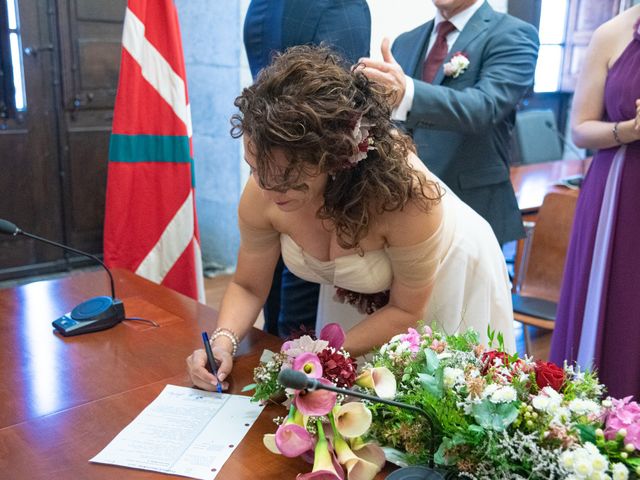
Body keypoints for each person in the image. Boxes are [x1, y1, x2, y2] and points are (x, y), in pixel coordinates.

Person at [187, 46, 514, 391]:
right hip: (368, 300)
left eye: (287, 179)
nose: (267, 192)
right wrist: (223, 342)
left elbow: (405, 311)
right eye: (255, 169)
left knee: (431, 399)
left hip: (444, 274)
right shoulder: (265, 187)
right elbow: (248, 285)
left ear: (334, 157)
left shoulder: (406, 199)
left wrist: (321, 354)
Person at [356, 0, 539, 245]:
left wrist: (408, 92)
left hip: (472, 209)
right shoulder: (406, 41)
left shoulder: (513, 34)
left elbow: (485, 107)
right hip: (401, 207)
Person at [243, 0, 371, 338]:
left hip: (317, 186)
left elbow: (339, 118)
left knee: (295, 321)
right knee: (281, 318)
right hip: (288, 168)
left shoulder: (331, 6)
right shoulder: (269, 6)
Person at [550, 5, 640, 400]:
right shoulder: (611, 33)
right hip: (622, 189)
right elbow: (581, 128)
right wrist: (631, 129)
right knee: (621, 303)